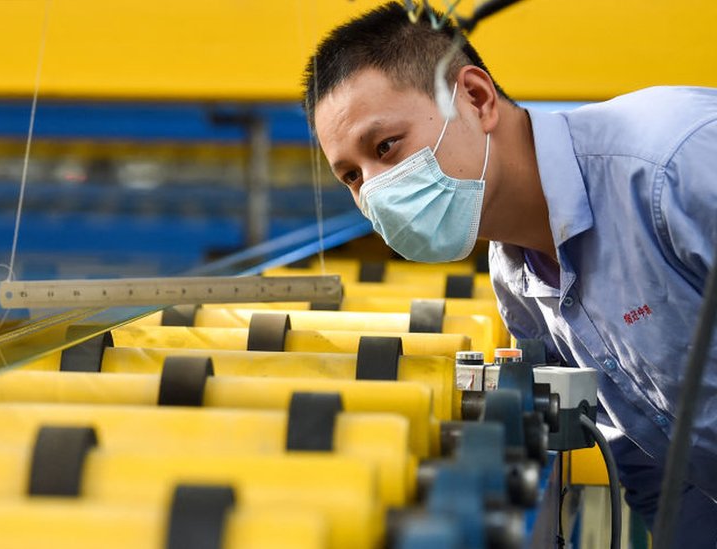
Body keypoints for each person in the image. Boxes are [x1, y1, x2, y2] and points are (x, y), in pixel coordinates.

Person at [303, 1, 717, 545]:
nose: (376, 190)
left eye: (386, 146)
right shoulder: (518, 282)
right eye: (352, 176)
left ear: (476, 99)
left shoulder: (678, 166)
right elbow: (648, 457)